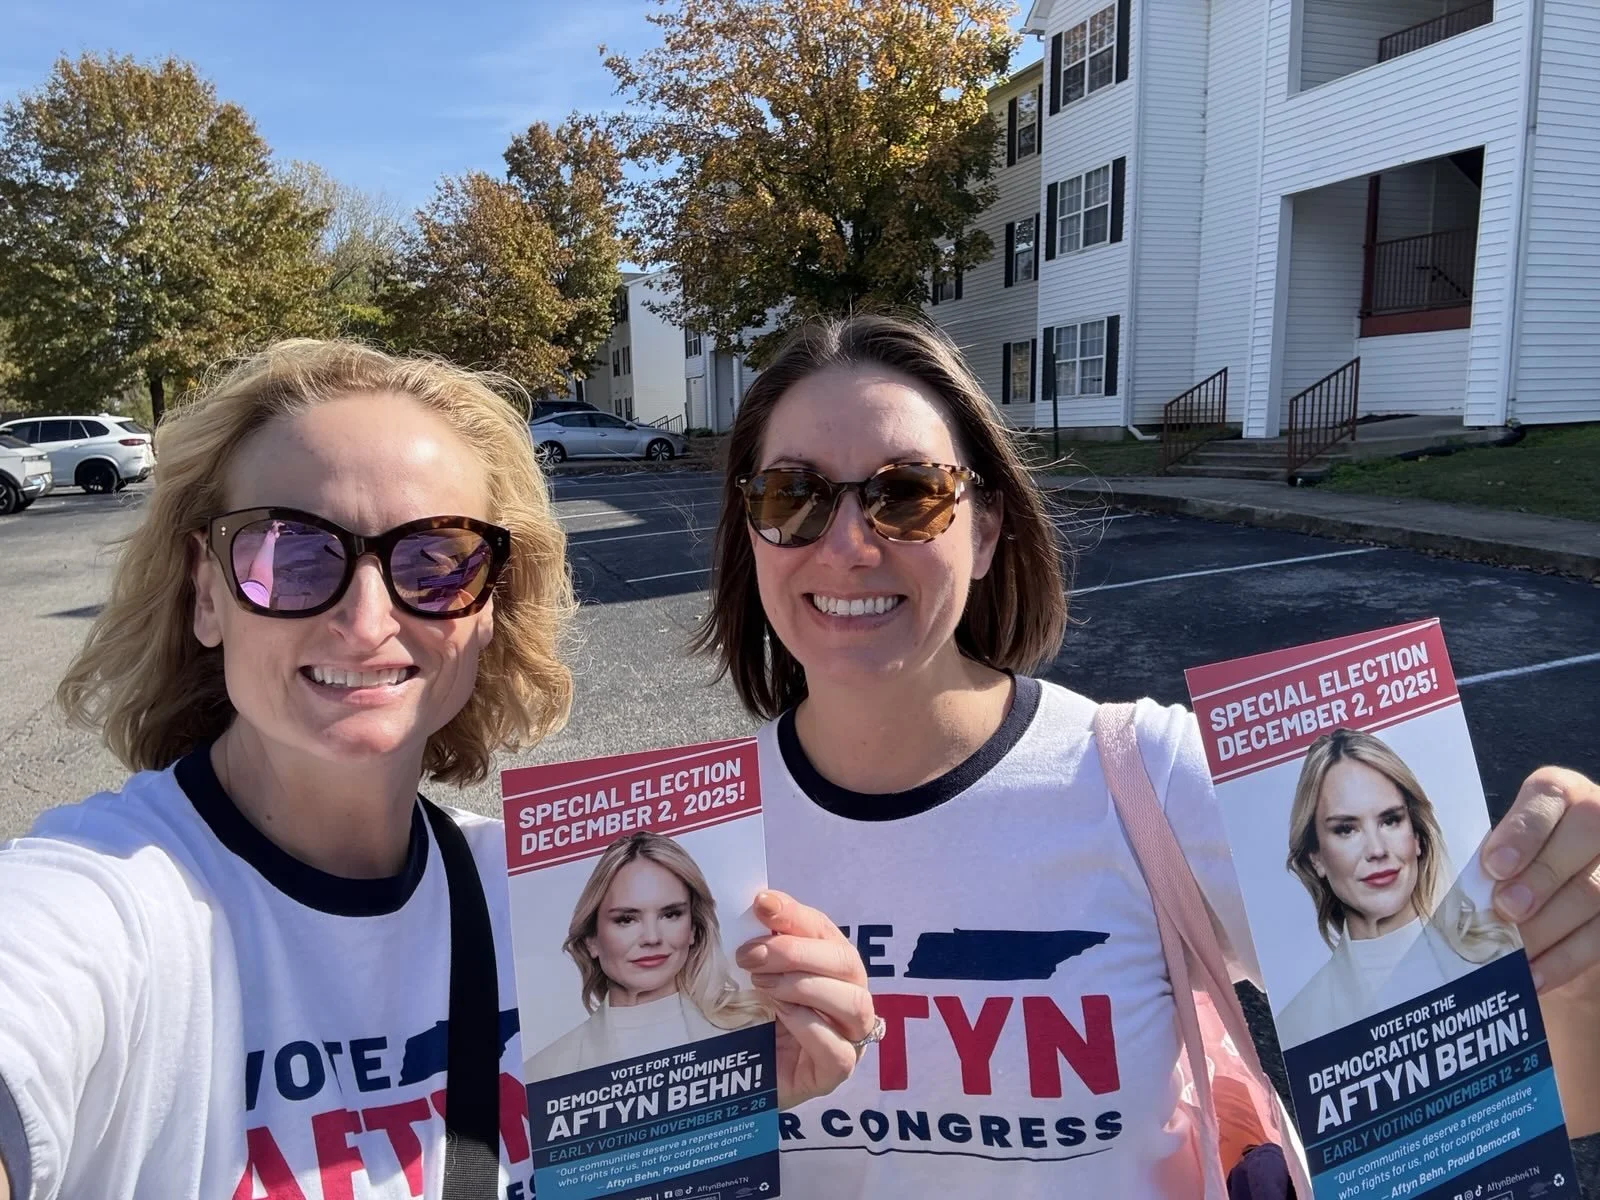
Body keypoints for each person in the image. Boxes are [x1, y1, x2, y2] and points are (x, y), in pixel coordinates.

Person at [692, 312, 1600, 1197]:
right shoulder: (689, 848)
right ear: (753, 529)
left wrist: (1573, 954)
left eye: (907, 494)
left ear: (988, 528)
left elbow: (1511, 1088)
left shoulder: (1151, 776)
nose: (848, 545)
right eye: (793, 495)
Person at [0, 340, 875, 1200]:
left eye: (434, 561)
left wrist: (719, 1099)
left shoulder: (538, 900)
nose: (365, 619)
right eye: (293, 553)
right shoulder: (102, 905)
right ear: (206, 591)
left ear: (490, 606)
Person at [1277, 728, 1518, 1047]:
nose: (1376, 849)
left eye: (1390, 820)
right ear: (1316, 857)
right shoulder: (1302, 1023)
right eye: (1347, 829)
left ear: (1417, 836)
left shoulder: (1498, 950)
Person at [526, 831, 768, 1081]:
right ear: (591, 941)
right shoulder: (545, 1071)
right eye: (626, 919)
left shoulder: (757, 1030)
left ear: (694, 929)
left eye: (670, 914)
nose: (652, 937)